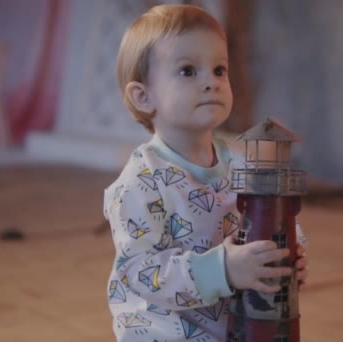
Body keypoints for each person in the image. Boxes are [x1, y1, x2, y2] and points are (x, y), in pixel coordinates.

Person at [104, 4, 308, 341]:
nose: (211, 83)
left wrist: (287, 255)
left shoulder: (242, 162)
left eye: (219, 70)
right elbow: (139, 272)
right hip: (164, 332)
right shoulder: (140, 184)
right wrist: (224, 268)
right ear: (143, 96)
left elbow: (274, 219)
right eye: (188, 71)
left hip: (230, 326)